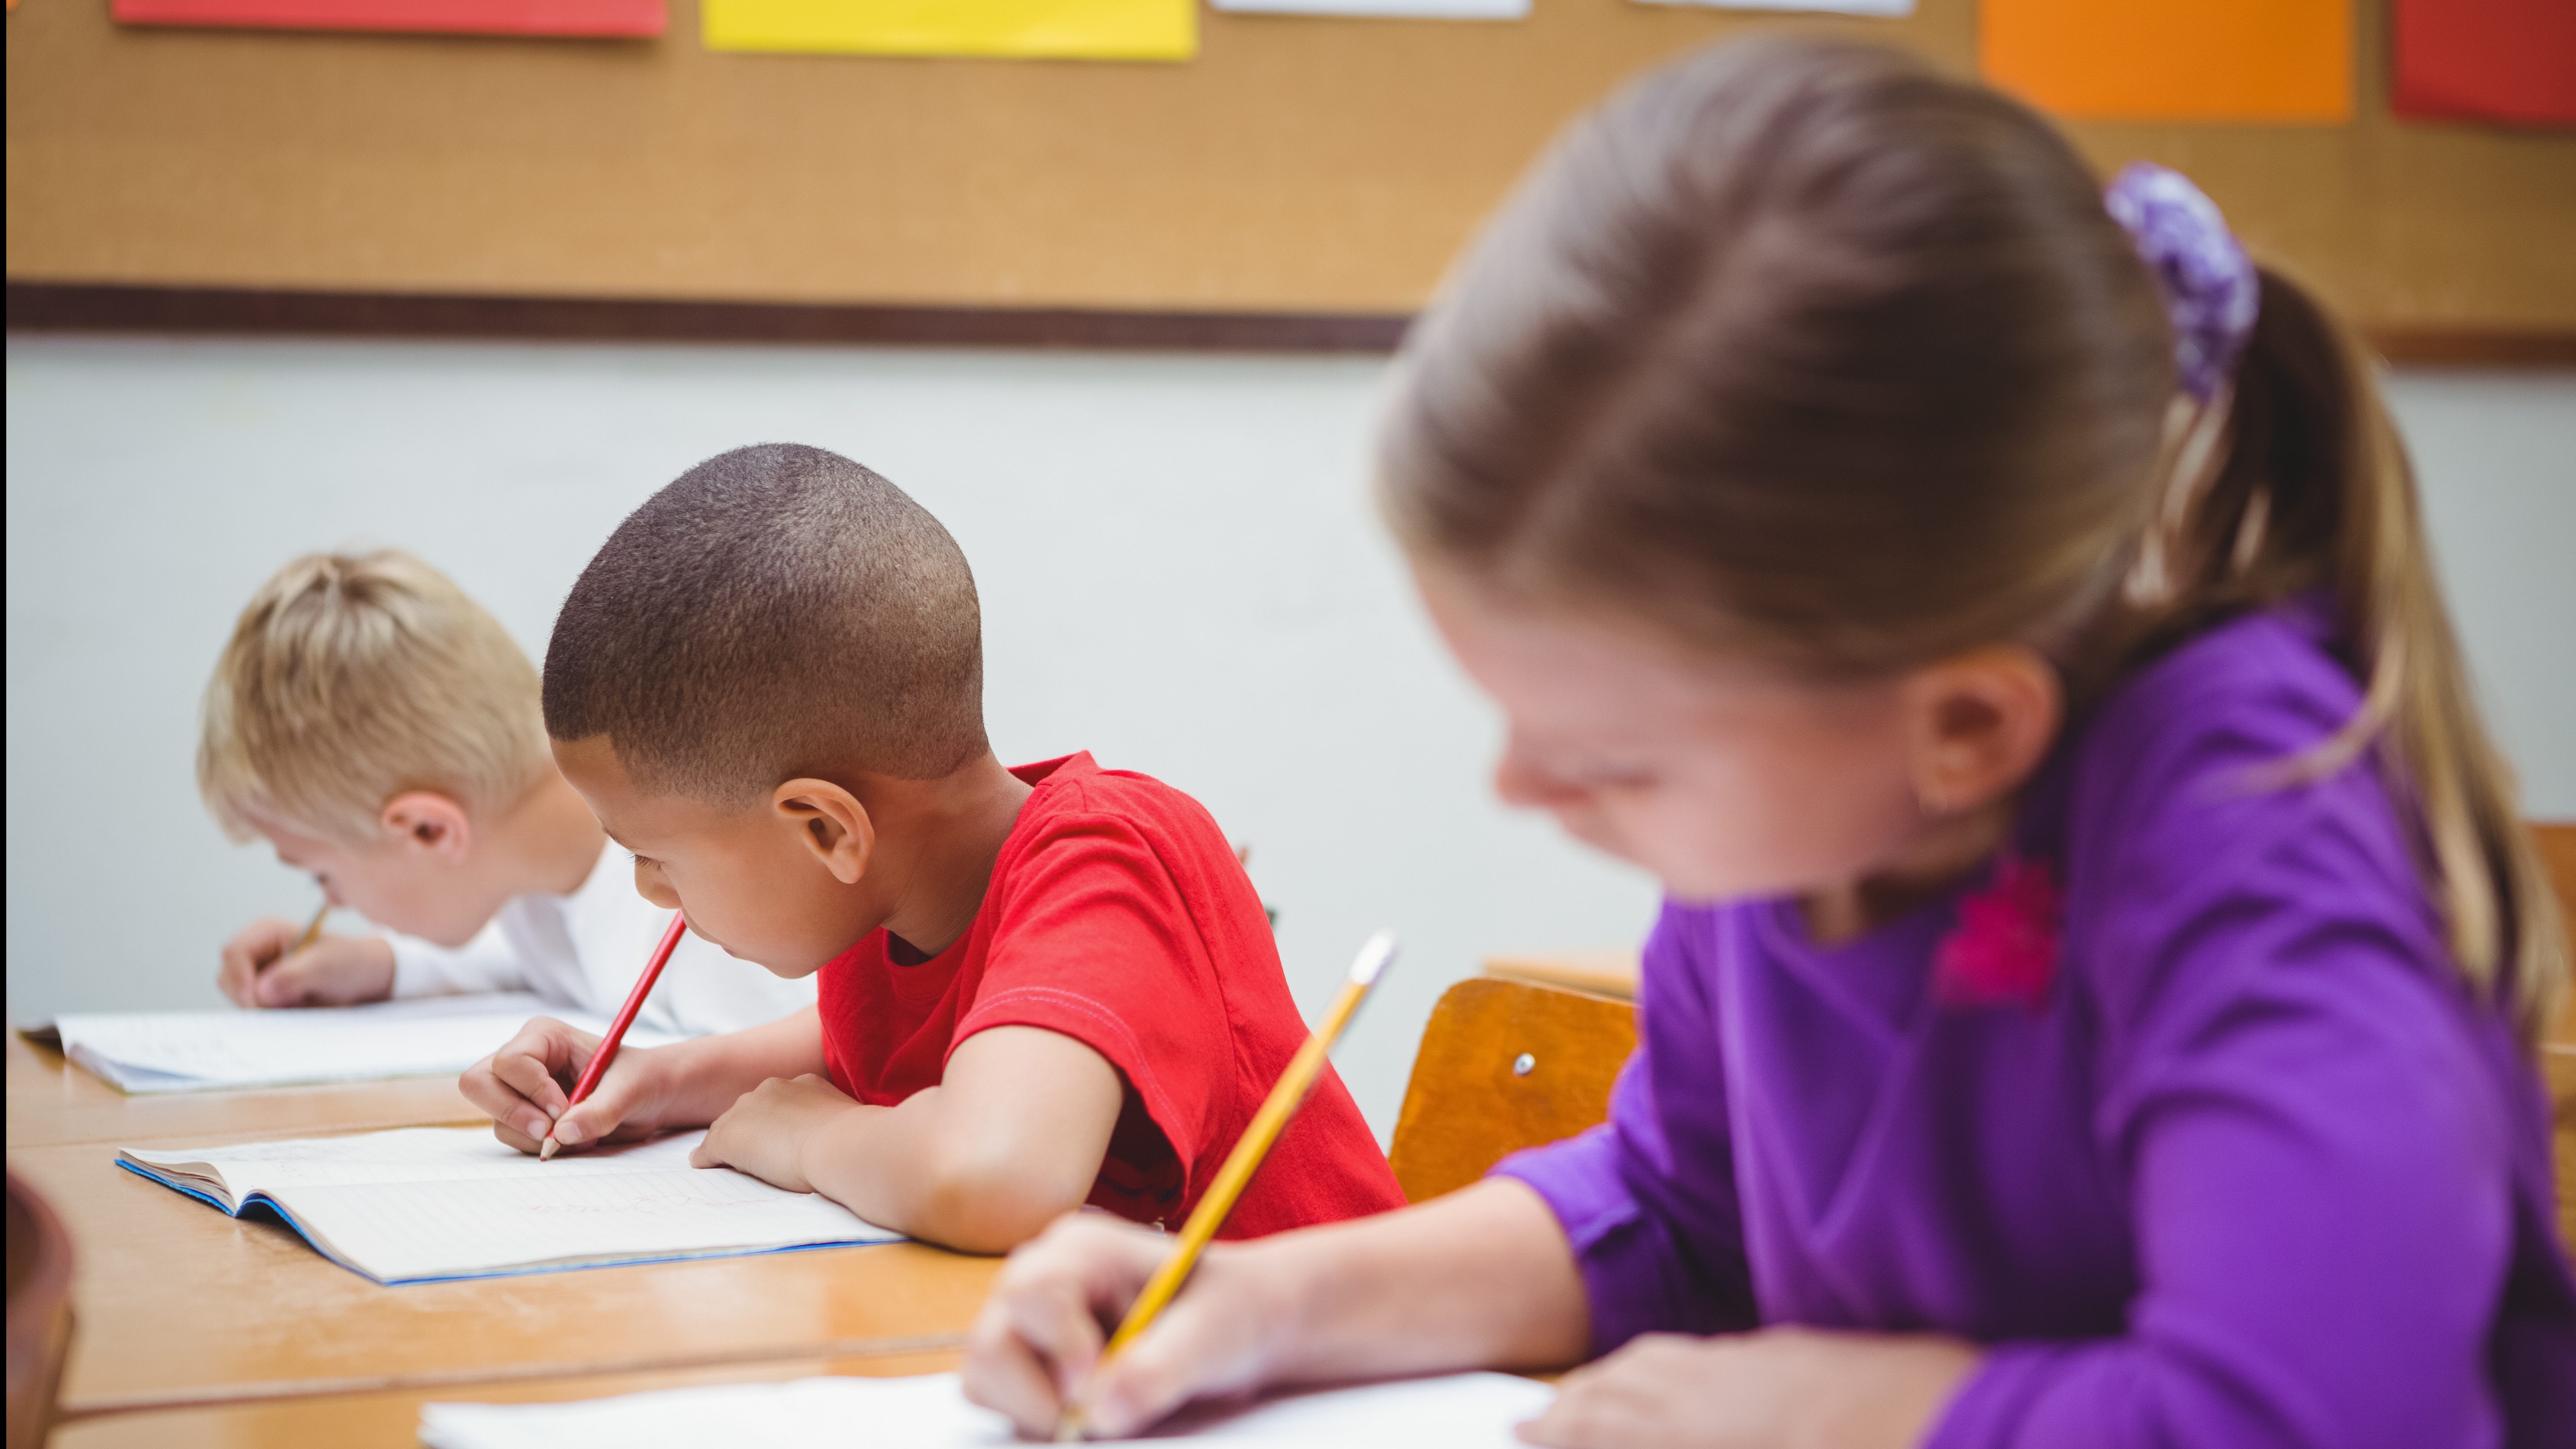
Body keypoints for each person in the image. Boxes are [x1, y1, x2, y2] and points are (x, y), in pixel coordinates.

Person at [961, 38, 2576, 1448]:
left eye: (1615, 759)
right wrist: (1262, 1305)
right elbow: (1675, 1210)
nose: (1517, 788)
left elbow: (2313, 1418)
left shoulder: (2256, 843)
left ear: (1964, 728)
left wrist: (1853, 1410)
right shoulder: (1811, 820)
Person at [460, 444, 1403, 1254]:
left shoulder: (1108, 857)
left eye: (655, 855)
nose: (649, 892)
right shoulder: (897, 895)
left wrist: (812, 1141)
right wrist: (663, 1080)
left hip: (1335, 1380)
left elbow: (995, 1177)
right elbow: (877, 1040)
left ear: (826, 828)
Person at [200, 549, 814, 1037]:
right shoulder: (535, 882)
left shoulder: (722, 928)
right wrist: (382, 965)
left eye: (322, 876)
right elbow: (538, 949)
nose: (332, 902)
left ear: (428, 831)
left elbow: (831, 1049)